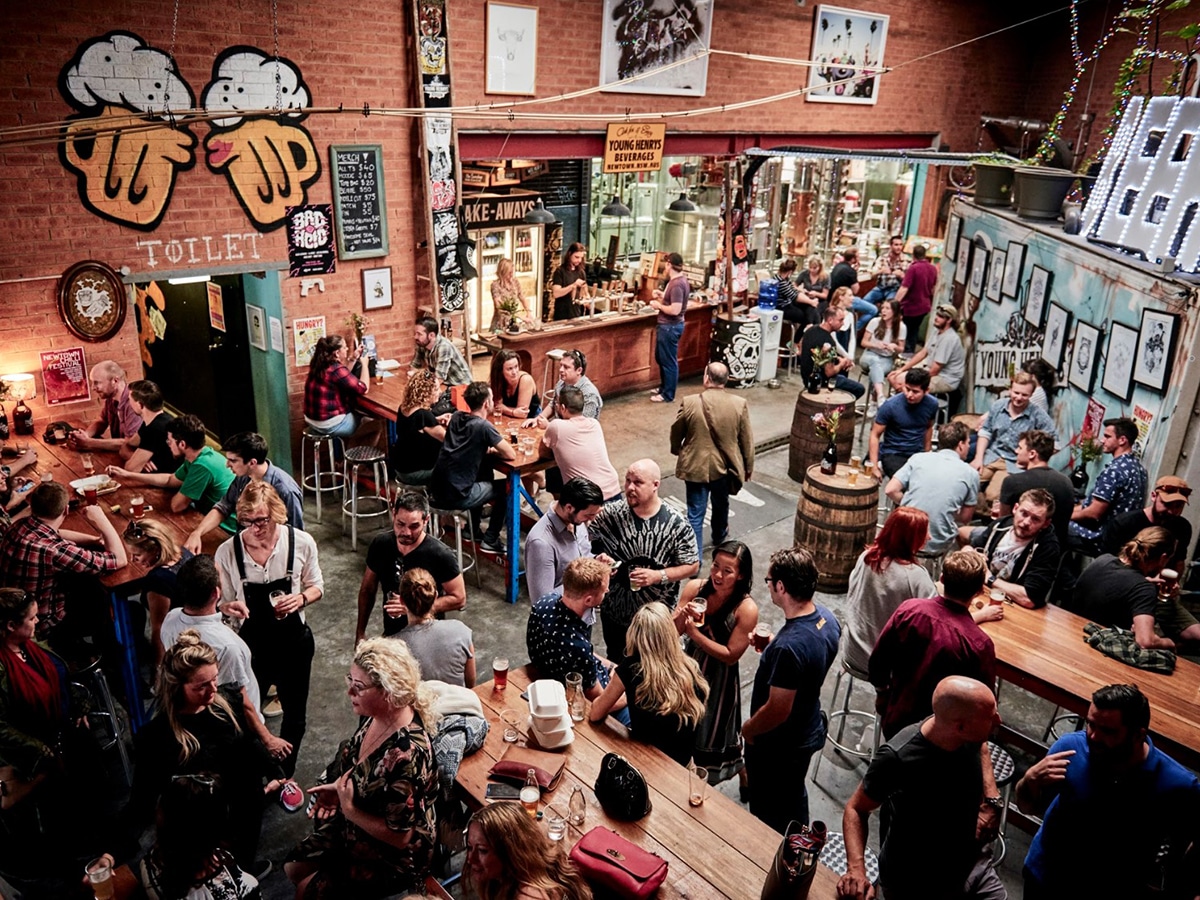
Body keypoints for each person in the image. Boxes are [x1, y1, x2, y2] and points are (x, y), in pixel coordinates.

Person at [285, 638, 439, 899]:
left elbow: (401, 837)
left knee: (304, 890)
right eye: (350, 681)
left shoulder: (407, 755)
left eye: (358, 687)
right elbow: (365, 766)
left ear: (388, 692)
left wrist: (349, 809)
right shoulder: (377, 716)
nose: (349, 693)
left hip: (395, 855)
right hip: (360, 818)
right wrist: (341, 788)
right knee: (294, 868)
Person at [1017, 683, 1200, 900]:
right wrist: (1029, 781)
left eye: (1108, 731)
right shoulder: (1069, 750)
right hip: (1045, 879)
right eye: (1090, 725)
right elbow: (1027, 807)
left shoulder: (1177, 784)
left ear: (1138, 735)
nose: (1093, 737)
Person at [839, 676, 1007, 900]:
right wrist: (857, 870)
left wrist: (991, 798)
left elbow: (982, 745)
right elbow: (856, 809)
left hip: (973, 864)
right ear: (961, 727)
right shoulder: (899, 756)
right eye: (990, 716)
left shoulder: (967, 733)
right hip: (913, 882)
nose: (999, 719)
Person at [126, 632, 277, 875]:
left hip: (244, 811)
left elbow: (247, 744)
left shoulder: (226, 702)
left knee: (241, 868)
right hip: (201, 830)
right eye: (201, 686)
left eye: (215, 679)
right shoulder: (157, 736)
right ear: (177, 687)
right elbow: (142, 799)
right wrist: (111, 853)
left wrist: (275, 773)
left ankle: (243, 870)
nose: (212, 690)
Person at [214, 482, 323, 776]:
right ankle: (255, 772)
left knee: (295, 717)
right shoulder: (228, 552)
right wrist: (227, 608)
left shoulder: (301, 542)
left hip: (293, 644)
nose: (253, 529)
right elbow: (221, 602)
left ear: (276, 514)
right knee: (245, 714)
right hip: (251, 648)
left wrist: (300, 598)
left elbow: (317, 587)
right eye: (246, 522)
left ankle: (283, 775)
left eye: (260, 521)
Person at [741, 548, 839, 832]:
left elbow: (778, 710)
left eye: (769, 581)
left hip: (780, 745)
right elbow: (811, 658)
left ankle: (781, 855)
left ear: (780, 586)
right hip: (807, 726)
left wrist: (749, 729)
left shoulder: (789, 648)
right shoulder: (827, 619)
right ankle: (800, 838)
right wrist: (773, 647)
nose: (769, 586)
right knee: (794, 793)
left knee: (771, 808)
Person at [161, 555, 285, 757]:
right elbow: (241, 701)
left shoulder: (171, 619)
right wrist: (267, 739)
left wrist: (219, 610)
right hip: (233, 726)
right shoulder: (228, 647)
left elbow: (198, 621)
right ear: (216, 592)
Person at [868, 550, 997, 740]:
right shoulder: (980, 644)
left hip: (896, 723)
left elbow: (879, 660)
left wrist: (882, 694)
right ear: (979, 591)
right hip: (943, 740)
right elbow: (983, 703)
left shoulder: (909, 610)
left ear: (942, 579)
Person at [588, 459, 699, 664]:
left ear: (656, 485)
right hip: (614, 615)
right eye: (627, 480)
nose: (630, 488)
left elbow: (692, 565)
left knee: (650, 667)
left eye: (638, 482)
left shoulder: (676, 524)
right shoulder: (611, 514)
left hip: (654, 620)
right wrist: (598, 557)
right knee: (616, 662)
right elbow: (587, 535)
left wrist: (658, 576)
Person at [0, 481, 127, 648]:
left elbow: (56, 533)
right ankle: (110, 651)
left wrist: (94, 540)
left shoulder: (18, 526)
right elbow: (119, 560)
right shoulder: (54, 551)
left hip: (12, 614)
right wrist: (102, 521)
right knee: (96, 594)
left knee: (85, 585)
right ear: (66, 510)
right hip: (43, 626)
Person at [674, 541, 758, 786]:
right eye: (715, 566)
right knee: (685, 722)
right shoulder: (695, 588)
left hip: (719, 676)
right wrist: (681, 615)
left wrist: (695, 634)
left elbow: (731, 654)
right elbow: (673, 631)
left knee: (715, 729)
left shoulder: (746, 608)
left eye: (727, 571)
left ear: (741, 574)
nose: (718, 575)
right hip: (688, 667)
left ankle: (739, 773)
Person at [589, 601, 709, 766]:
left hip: (648, 763)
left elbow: (596, 712)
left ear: (635, 634)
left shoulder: (631, 668)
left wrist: (623, 696)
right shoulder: (691, 668)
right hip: (684, 765)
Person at [355, 492, 465, 644]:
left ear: (426, 520)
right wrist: (360, 633)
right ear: (394, 514)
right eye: (400, 524)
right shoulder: (381, 544)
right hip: (393, 637)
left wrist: (413, 608)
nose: (406, 532)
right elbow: (367, 590)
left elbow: (459, 598)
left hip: (428, 638)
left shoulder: (440, 555)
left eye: (414, 526)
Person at [669, 362, 755, 557]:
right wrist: (748, 466)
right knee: (721, 504)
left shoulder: (690, 402)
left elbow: (677, 431)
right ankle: (719, 535)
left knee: (695, 515)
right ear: (725, 380)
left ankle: (694, 559)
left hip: (695, 466)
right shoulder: (738, 404)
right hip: (724, 467)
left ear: (706, 378)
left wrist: (676, 449)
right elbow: (746, 440)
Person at [843, 507, 936, 678]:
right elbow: (937, 623)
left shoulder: (866, 557)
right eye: (924, 532)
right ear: (911, 538)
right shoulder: (915, 576)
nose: (929, 537)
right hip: (883, 664)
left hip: (853, 651)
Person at [429, 381, 517, 555]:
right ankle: (491, 539)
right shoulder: (483, 426)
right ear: (486, 403)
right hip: (455, 496)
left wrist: (484, 449)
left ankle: (472, 529)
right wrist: (493, 450)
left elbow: (465, 445)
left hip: (436, 489)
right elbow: (510, 454)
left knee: (482, 474)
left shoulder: (456, 417)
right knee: (507, 488)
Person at [1068, 527, 1190, 649]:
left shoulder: (1103, 559)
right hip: (1099, 648)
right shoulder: (1143, 589)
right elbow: (1145, 642)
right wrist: (1170, 642)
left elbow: (1120, 582)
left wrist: (1146, 583)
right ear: (1163, 558)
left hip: (1072, 632)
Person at [107, 414, 236, 529]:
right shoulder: (199, 456)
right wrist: (128, 475)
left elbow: (177, 506)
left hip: (224, 528)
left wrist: (183, 491)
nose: (168, 444)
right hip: (207, 519)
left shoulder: (202, 466)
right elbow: (170, 479)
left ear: (182, 444)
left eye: (170, 441)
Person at [184, 431, 303, 553]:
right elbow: (224, 506)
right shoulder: (244, 477)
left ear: (252, 463)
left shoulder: (286, 490)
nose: (227, 465)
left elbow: (295, 536)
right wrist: (197, 533)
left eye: (233, 461)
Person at [886, 422, 979, 562]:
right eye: (968, 443)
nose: (968, 447)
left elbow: (890, 490)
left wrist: (909, 503)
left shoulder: (919, 458)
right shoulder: (971, 474)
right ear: (960, 445)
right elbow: (965, 518)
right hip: (937, 545)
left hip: (904, 537)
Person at [526, 557, 615, 703]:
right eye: (604, 591)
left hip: (547, 670)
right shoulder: (577, 646)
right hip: (578, 693)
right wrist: (629, 696)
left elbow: (585, 656)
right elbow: (597, 699)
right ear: (588, 600)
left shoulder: (542, 604)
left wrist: (611, 667)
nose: (607, 591)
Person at [463, 801, 592, 900]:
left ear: (510, 852)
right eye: (469, 847)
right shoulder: (534, 862)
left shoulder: (529, 895)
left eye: (482, 850)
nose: (470, 858)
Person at [962, 488, 1061, 609]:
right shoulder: (1000, 525)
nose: (1026, 522)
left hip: (1013, 606)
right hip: (980, 596)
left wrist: (989, 578)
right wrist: (969, 554)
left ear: (1045, 523)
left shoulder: (1048, 546)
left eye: (1035, 519)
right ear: (1015, 509)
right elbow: (971, 548)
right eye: (1024, 513)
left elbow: (1029, 599)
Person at [972, 372, 1057, 510]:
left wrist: (1032, 462)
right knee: (968, 480)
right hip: (992, 455)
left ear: (1031, 395)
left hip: (1014, 462)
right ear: (1010, 389)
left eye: (1024, 395)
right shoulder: (998, 406)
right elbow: (985, 431)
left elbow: (1054, 443)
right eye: (1016, 392)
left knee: (993, 496)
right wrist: (978, 458)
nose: (1018, 398)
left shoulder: (1038, 415)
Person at [1069, 416, 1148, 554]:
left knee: (1050, 526)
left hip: (1100, 537)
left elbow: (1093, 513)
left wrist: (1062, 516)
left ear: (1122, 440)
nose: (1102, 440)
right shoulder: (1139, 469)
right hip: (1122, 539)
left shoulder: (1115, 470)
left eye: (1107, 436)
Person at [125, 518, 193, 666]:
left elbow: (159, 631)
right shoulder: (183, 552)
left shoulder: (158, 580)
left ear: (155, 549)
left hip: (178, 640)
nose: (132, 560)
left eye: (137, 555)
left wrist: (158, 669)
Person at [525, 477, 605, 603]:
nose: (592, 519)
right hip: (561, 620)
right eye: (588, 515)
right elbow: (542, 601)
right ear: (569, 508)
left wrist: (596, 562)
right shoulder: (541, 542)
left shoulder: (577, 521)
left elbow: (581, 556)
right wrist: (586, 581)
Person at [393, 568, 475, 687]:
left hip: (421, 705)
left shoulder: (394, 647)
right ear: (435, 596)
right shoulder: (460, 631)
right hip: (459, 704)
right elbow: (471, 684)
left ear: (401, 601)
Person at [537, 386, 620, 501]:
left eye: (556, 404)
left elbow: (543, 453)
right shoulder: (594, 424)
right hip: (613, 489)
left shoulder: (556, 426)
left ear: (563, 408)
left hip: (587, 497)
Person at [1102, 474, 1193, 572]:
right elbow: (1107, 564)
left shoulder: (1182, 527)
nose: (1172, 511)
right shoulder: (1124, 523)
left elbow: (1179, 561)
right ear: (1154, 496)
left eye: (1178, 506)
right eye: (1167, 504)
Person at [997, 430, 1074, 544]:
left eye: (1020, 448)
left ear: (1032, 454)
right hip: (1054, 547)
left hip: (1018, 546)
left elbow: (1002, 523)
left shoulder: (1012, 482)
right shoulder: (1066, 482)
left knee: (966, 532)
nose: (1016, 451)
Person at [868, 368, 937, 480]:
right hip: (894, 453)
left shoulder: (932, 404)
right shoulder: (890, 406)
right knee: (908, 482)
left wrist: (927, 453)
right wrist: (874, 466)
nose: (909, 395)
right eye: (907, 389)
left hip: (917, 454)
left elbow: (928, 427)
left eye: (915, 392)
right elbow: (875, 434)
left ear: (926, 391)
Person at [888, 303, 965, 398]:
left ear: (949, 320)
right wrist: (902, 369)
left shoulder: (949, 339)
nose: (936, 318)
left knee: (905, 385)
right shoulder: (937, 331)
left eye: (941, 317)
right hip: (930, 370)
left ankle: (909, 407)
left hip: (946, 378)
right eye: (937, 315)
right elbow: (923, 352)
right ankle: (903, 402)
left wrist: (913, 381)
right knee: (893, 377)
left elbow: (935, 370)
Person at [69, 360, 141, 457]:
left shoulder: (133, 403)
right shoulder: (111, 398)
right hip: (121, 455)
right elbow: (102, 421)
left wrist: (88, 442)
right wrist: (86, 435)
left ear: (115, 381)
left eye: (96, 383)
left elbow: (130, 443)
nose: (93, 388)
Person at [303, 334, 368, 438]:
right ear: (337, 353)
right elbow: (363, 388)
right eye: (344, 347)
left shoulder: (318, 365)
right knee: (372, 424)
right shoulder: (336, 369)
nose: (347, 349)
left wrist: (354, 358)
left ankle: (350, 451)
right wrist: (365, 364)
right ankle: (352, 453)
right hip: (328, 424)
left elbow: (342, 376)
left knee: (358, 415)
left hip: (311, 420)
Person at [391, 369, 445, 487]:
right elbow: (449, 440)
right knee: (461, 463)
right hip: (416, 474)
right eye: (436, 389)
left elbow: (417, 426)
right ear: (425, 393)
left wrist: (436, 419)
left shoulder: (404, 407)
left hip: (401, 468)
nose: (440, 392)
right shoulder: (423, 415)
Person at [799, 303, 865, 399]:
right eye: (840, 320)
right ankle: (839, 410)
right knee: (859, 389)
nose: (843, 323)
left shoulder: (811, 330)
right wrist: (842, 363)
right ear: (830, 320)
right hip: (822, 382)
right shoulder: (828, 342)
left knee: (842, 378)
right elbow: (829, 372)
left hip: (807, 377)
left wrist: (836, 358)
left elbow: (811, 352)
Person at [648, 251, 689, 403]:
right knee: (662, 358)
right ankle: (664, 388)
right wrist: (662, 296)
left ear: (669, 265)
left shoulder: (677, 284)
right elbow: (673, 302)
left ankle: (668, 394)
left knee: (668, 361)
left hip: (670, 327)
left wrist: (658, 305)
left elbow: (675, 310)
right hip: (669, 326)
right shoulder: (678, 281)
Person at [858, 299, 906, 412]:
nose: (883, 311)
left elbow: (901, 349)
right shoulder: (874, 321)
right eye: (883, 308)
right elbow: (863, 342)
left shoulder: (901, 327)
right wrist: (876, 345)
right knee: (874, 362)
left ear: (894, 311)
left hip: (887, 358)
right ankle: (880, 396)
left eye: (887, 308)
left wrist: (894, 346)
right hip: (869, 354)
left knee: (875, 369)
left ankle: (875, 401)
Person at [120, 380, 177, 474]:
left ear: (140, 405)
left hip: (169, 485)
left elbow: (130, 468)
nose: (129, 404)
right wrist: (139, 460)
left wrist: (137, 461)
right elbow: (127, 445)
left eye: (129, 400)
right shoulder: (156, 420)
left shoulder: (155, 429)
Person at [532, 348, 603, 423]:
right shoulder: (561, 383)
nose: (561, 370)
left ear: (579, 370)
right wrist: (538, 419)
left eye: (566, 367)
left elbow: (583, 426)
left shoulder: (589, 394)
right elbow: (553, 403)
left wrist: (550, 426)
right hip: (559, 427)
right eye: (561, 365)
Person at [893, 243, 937, 354]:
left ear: (913, 255)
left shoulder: (913, 268)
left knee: (906, 330)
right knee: (914, 330)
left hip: (911, 306)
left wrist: (895, 303)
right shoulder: (933, 268)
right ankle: (910, 353)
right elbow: (934, 288)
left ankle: (906, 353)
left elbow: (904, 288)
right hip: (925, 305)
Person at [411, 316, 471, 388]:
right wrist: (412, 374)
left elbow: (439, 378)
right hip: (445, 384)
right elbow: (415, 365)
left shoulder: (444, 347)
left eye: (419, 334)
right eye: (415, 333)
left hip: (460, 386)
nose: (415, 337)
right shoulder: (422, 343)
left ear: (431, 335)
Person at [861, 234, 908, 318]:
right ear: (891, 246)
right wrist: (881, 271)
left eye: (900, 245)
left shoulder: (906, 260)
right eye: (896, 245)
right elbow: (872, 275)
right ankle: (858, 327)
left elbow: (909, 281)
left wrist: (901, 276)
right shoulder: (883, 258)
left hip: (894, 289)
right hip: (880, 287)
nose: (899, 247)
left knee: (888, 308)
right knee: (864, 302)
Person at [489, 349, 540, 420]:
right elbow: (498, 406)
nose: (514, 372)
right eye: (509, 369)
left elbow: (522, 414)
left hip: (531, 419)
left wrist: (506, 410)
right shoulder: (498, 380)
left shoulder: (525, 380)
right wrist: (513, 411)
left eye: (516, 367)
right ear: (500, 371)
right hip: (508, 419)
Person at [489, 257, 529, 330]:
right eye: (509, 272)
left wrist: (528, 312)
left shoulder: (515, 282)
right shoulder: (495, 285)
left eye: (512, 272)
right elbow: (500, 307)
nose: (511, 275)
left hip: (512, 323)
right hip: (500, 324)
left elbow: (522, 297)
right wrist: (521, 317)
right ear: (503, 272)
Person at [551, 242, 588, 321]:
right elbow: (556, 293)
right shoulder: (560, 271)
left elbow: (585, 293)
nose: (579, 260)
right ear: (570, 254)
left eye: (581, 258)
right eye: (576, 257)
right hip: (562, 316)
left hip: (576, 314)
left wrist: (586, 298)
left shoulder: (581, 272)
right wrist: (573, 285)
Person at [794, 254, 830, 327]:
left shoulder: (825, 277)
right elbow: (794, 285)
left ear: (820, 267)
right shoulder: (804, 274)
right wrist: (801, 290)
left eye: (814, 268)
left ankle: (809, 329)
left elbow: (825, 295)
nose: (812, 270)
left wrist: (816, 294)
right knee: (810, 309)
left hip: (820, 301)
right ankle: (813, 328)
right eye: (810, 268)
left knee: (813, 311)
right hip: (806, 299)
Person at [773, 258, 809, 326]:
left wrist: (800, 291)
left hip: (787, 303)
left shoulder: (784, 279)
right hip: (781, 307)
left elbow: (793, 289)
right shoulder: (781, 282)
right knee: (802, 316)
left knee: (806, 309)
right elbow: (794, 296)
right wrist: (811, 301)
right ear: (790, 271)